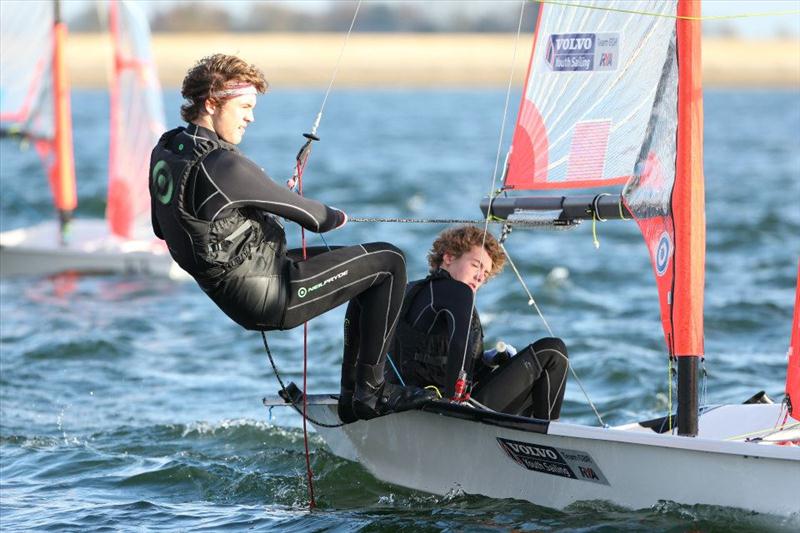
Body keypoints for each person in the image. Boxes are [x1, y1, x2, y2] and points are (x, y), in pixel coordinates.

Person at [149, 54, 434, 421]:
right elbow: (315, 218)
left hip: (240, 286)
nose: (251, 117)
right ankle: (370, 394)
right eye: (245, 106)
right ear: (211, 103)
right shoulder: (224, 164)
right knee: (390, 262)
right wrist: (337, 215)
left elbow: (163, 228)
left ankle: (357, 392)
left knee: (364, 270)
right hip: (270, 294)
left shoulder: (167, 149)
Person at [389, 225, 569, 419]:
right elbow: (459, 347)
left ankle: (525, 436)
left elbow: (431, 355)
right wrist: (454, 402)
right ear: (448, 258)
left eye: (485, 273)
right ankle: (545, 442)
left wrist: (486, 361)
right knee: (552, 352)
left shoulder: (411, 290)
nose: (480, 277)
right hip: (450, 414)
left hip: (411, 406)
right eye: (476, 265)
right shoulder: (459, 292)